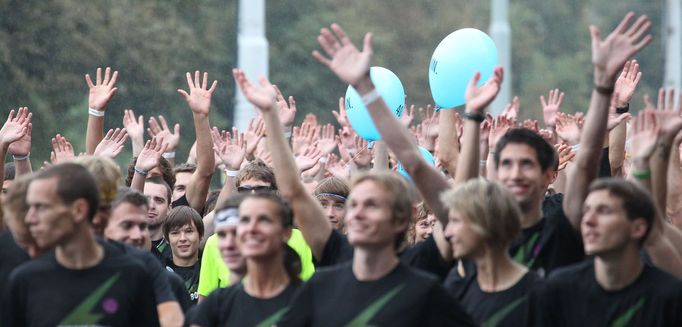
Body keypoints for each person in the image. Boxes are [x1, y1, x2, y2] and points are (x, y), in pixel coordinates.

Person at [232, 66, 475, 326]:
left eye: (372, 205)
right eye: (355, 204)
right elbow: (293, 191)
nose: (357, 213)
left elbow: (459, 209)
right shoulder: (325, 278)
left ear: (404, 217)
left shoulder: (424, 276)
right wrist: (271, 119)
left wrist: (371, 95)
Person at [1, 163, 158, 326]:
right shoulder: (24, 280)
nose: (30, 218)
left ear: (78, 210)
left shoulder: (133, 274)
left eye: (40, 207)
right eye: (30, 208)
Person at [527, 179, 682, 326]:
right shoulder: (561, 287)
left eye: (604, 211)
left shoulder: (668, 295)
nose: (588, 221)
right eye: (586, 211)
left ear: (638, 228)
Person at [196, 161, 315, 301]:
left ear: (275, 193)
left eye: (261, 190)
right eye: (244, 190)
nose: (252, 195)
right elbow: (204, 304)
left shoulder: (300, 239)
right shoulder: (216, 242)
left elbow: (309, 296)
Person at [190, 191, 301, 327]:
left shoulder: (305, 299)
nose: (229, 244)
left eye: (236, 233)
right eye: (222, 235)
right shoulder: (216, 303)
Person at [442, 178, 540, 326]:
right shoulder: (457, 285)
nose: (447, 233)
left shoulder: (538, 294)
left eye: (455, 221)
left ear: (483, 222)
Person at [104, 187, 193, 314]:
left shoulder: (171, 285)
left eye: (142, 226)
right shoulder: (90, 281)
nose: (137, 235)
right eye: (127, 226)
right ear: (104, 228)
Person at [163, 206, 204, 304]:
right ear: (167, 239)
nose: (182, 238)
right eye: (175, 233)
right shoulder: (159, 271)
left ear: (201, 235)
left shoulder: (209, 268)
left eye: (189, 231)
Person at [145, 176, 174, 262]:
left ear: (169, 208)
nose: (151, 206)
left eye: (159, 200)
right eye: (145, 199)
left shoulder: (176, 251)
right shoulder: (123, 246)